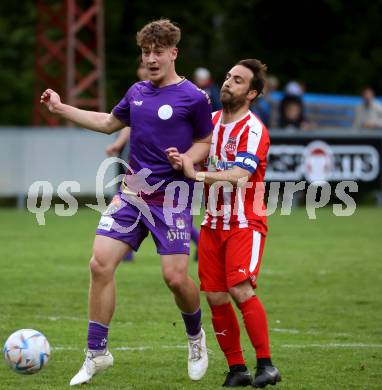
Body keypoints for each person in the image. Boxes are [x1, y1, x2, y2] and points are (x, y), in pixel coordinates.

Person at [40, 19, 213, 386]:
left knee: (175, 278)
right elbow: (107, 122)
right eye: (146, 52)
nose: (151, 59)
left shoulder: (194, 97)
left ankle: (196, 338)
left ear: (173, 53)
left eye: (158, 52)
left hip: (172, 197)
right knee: (100, 265)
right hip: (133, 192)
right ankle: (96, 352)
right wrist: (61, 108)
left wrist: (187, 158)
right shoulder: (136, 92)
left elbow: (205, 142)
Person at [167, 59, 281, 387]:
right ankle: (237, 369)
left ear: (252, 93)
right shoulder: (212, 122)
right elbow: (193, 157)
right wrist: (182, 158)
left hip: (245, 222)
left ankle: (266, 365)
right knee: (215, 296)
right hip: (212, 224)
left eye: (239, 80)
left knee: (239, 288)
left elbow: (241, 176)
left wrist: (196, 172)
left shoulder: (254, 129)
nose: (229, 83)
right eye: (229, 77)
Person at [106, 58, 201, 262]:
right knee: (129, 199)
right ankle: (126, 251)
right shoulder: (138, 93)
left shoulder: (184, 95)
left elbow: (202, 138)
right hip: (138, 160)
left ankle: (200, 241)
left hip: (161, 170)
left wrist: (188, 157)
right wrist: (119, 143)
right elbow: (122, 123)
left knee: (166, 209)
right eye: (141, 64)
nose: (145, 68)